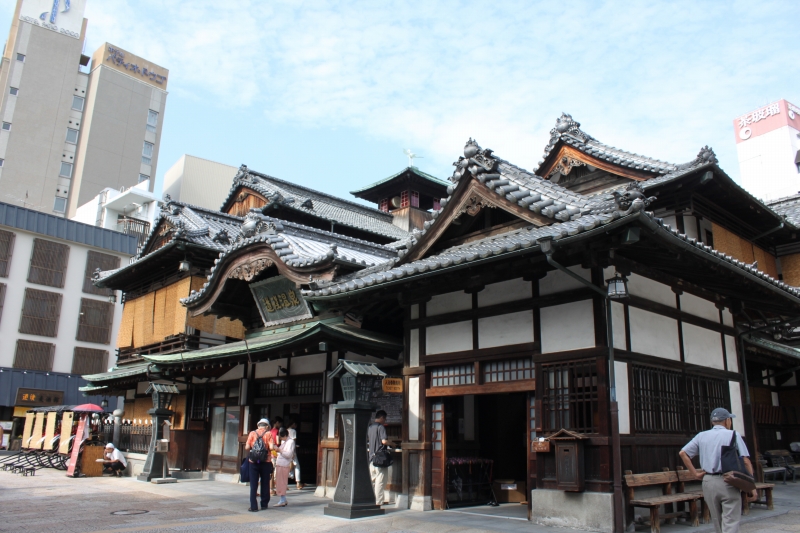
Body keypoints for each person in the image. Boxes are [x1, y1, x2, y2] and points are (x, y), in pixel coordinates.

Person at [680, 408, 757, 533]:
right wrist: (751, 486)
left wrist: (695, 473)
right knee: (730, 520)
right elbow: (746, 460)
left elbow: (683, 453)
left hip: (708, 481)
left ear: (712, 422)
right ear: (727, 421)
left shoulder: (701, 436)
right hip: (728, 480)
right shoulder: (733, 434)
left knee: (716, 519)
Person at [245, 419, 275, 512]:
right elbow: (271, 447)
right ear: (267, 426)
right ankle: (264, 504)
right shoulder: (268, 434)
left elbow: (246, 447)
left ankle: (253, 506)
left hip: (253, 461)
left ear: (258, 426)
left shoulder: (252, 433)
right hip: (265, 461)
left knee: (253, 484)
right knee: (265, 482)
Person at [367, 410, 392, 506]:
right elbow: (384, 441)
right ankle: (378, 501)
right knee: (380, 481)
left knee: (373, 481)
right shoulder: (380, 427)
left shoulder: (370, 427)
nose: (385, 421)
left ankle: (371, 499)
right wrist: (392, 443)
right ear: (382, 418)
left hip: (371, 458)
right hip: (380, 459)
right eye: (384, 419)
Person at [274, 427, 296, 507]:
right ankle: (283, 499)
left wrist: (279, 450)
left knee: (282, 482)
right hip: (280, 463)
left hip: (284, 464)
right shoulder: (285, 441)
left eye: (281, 436)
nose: (281, 438)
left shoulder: (290, 442)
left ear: (285, 435)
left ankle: (283, 500)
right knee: (280, 482)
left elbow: (288, 455)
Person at [286, 419, 303, 489]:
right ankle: (298, 483)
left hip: (285, 450)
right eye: (295, 425)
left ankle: (285, 483)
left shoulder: (285, 431)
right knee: (297, 466)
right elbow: (293, 441)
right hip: (292, 450)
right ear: (293, 424)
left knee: (286, 466)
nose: (296, 426)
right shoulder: (293, 431)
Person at [269, 417, 283, 495]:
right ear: (277, 422)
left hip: (270, 452)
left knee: (271, 470)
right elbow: (278, 442)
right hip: (276, 452)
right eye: (280, 423)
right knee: (275, 471)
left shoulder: (270, 431)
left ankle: (271, 488)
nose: (280, 425)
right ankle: (273, 488)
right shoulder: (277, 431)